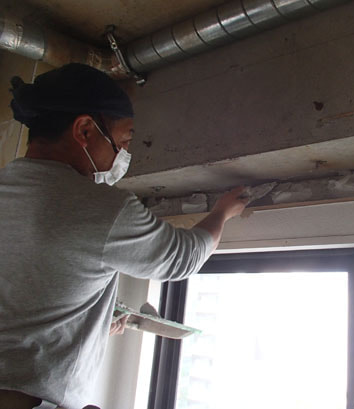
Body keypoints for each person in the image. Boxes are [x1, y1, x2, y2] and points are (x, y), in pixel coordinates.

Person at [0, 63, 248, 409]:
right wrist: (223, 212)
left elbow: (26, 302)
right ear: (85, 130)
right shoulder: (99, 207)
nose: (123, 154)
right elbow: (182, 258)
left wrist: (94, 324)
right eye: (123, 141)